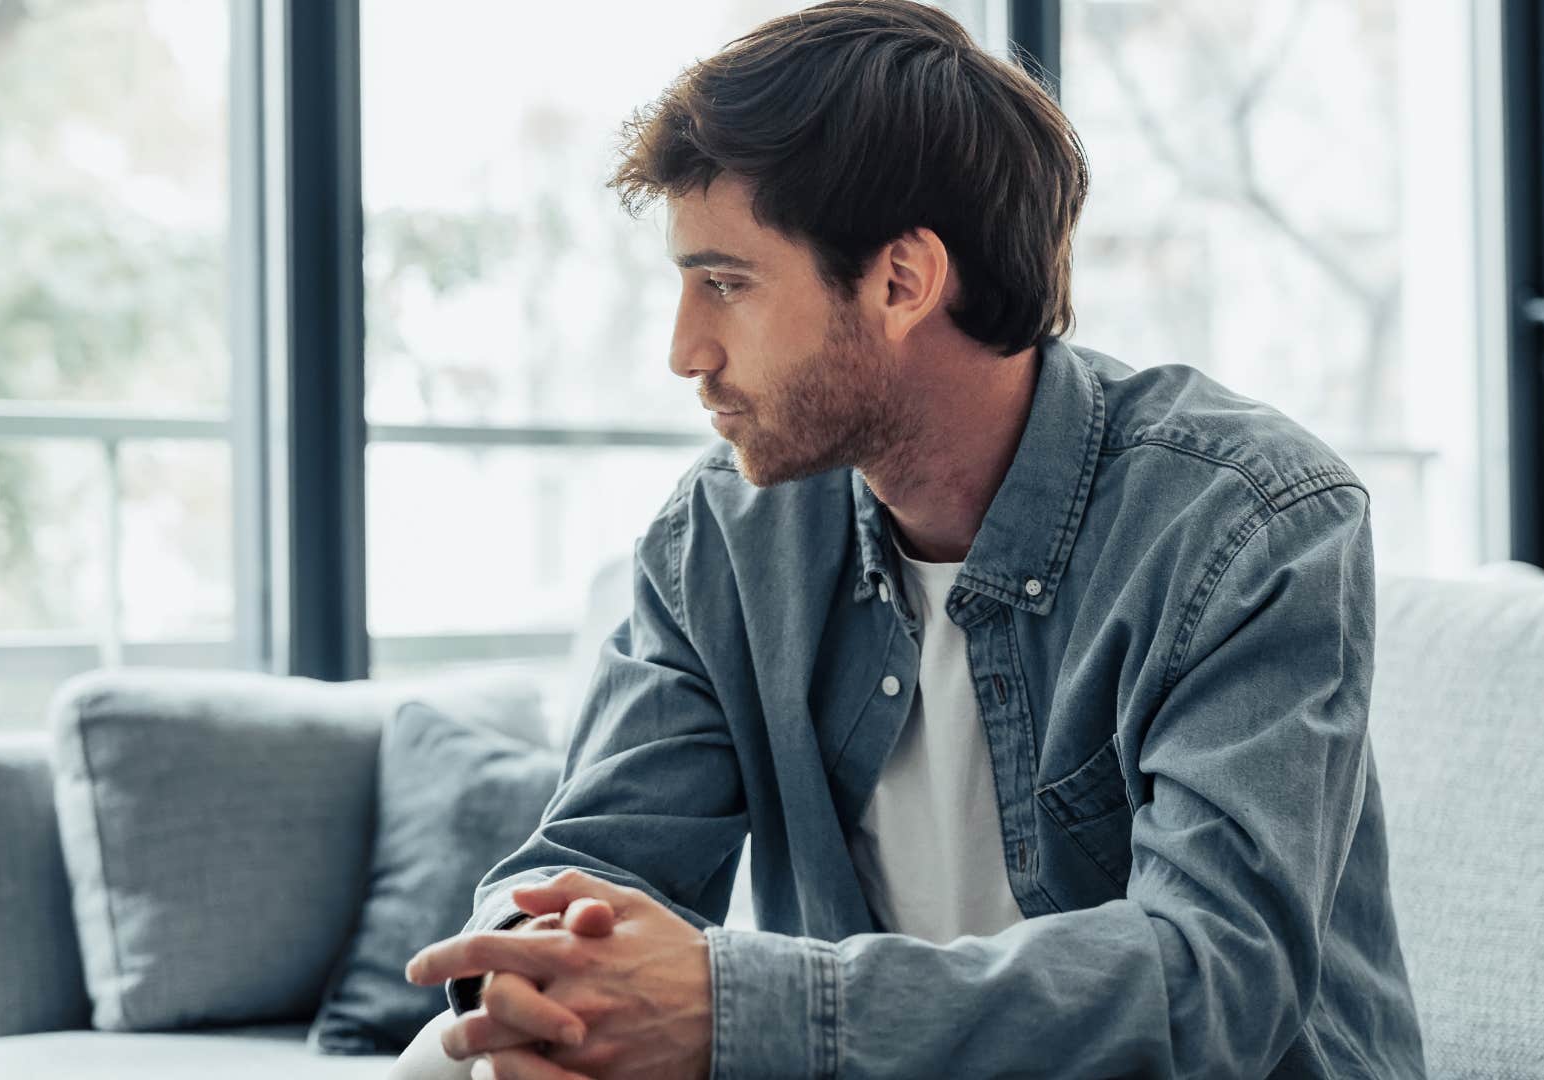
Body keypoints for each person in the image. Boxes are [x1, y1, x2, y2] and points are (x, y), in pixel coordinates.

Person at [391, 2, 1426, 1077]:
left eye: (727, 284)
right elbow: (592, 866)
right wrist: (534, 977)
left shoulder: (1247, 524)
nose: (685, 349)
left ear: (902, 282)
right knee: (450, 1059)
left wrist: (743, 1007)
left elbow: (1212, 984)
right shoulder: (727, 540)